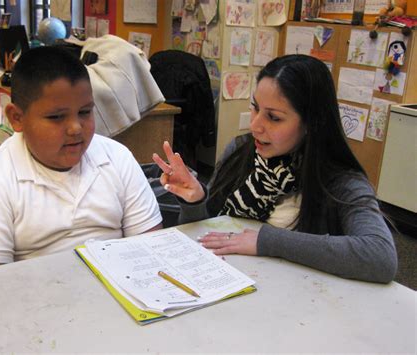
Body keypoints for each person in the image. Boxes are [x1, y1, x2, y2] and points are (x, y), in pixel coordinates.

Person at [152, 54, 397, 284]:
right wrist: (195, 202)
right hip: (230, 284)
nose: (256, 126)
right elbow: (209, 234)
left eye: (274, 118)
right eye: (255, 107)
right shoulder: (240, 152)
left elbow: (380, 257)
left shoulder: (340, 179)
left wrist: (266, 240)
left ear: (311, 123)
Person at [0, 46, 162, 272]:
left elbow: (151, 247)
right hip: (36, 298)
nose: (75, 128)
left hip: (121, 290)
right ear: (17, 118)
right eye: (56, 117)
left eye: (85, 112)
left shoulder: (117, 158)